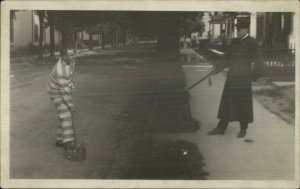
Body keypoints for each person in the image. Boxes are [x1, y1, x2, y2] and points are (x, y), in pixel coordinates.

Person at [207, 18, 264, 138]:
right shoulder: (234, 41)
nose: (238, 31)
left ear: (246, 29)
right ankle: (221, 128)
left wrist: (252, 77)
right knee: (227, 101)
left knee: (243, 103)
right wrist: (217, 68)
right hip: (232, 77)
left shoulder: (252, 43)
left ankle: (243, 129)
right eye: (237, 28)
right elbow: (227, 58)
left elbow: (259, 63)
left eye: (240, 29)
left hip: (243, 79)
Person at [47, 48, 78, 159]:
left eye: (74, 54)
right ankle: (68, 148)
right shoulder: (59, 70)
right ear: (64, 57)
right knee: (66, 115)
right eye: (70, 55)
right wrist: (71, 106)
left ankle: (60, 140)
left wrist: (70, 85)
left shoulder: (71, 61)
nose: (73, 56)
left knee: (65, 114)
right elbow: (63, 91)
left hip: (63, 88)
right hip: (56, 92)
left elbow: (70, 76)